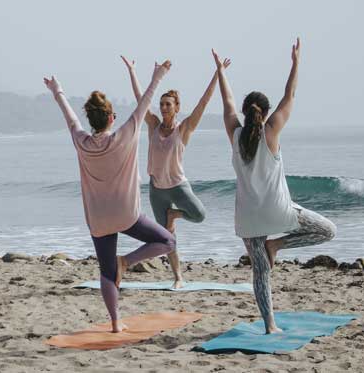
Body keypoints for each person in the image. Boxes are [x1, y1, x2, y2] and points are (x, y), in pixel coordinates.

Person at [43, 59, 177, 333]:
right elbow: (144, 105)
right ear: (111, 118)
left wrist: (57, 91)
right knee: (168, 241)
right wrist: (158, 76)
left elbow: (70, 118)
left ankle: (115, 323)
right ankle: (126, 262)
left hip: (98, 220)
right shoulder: (123, 136)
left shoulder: (81, 141)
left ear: (92, 121)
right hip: (126, 215)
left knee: (105, 272)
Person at [213, 39, 336, 334]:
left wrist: (221, 72)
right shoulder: (272, 131)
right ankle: (278, 244)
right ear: (265, 113)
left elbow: (227, 104)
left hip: (248, 218)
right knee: (328, 231)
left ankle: (270, 325)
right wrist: (295, 62)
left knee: (260, 272)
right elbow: (290, 94)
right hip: (279, 212)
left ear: (245, 113)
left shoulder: (235, 134)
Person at [120, 55, 231, 288]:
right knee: (168, 240)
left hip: (179, 187)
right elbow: (142, 99)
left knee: (199, 215)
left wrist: (217, 73)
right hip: (157, 190)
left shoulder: (185, 128)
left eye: (168, 104)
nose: (163, 107)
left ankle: (175, 215)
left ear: (177, 107)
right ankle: (178, 277)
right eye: (161, 104)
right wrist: (132, 70)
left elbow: (204, 101)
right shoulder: (152, 124)